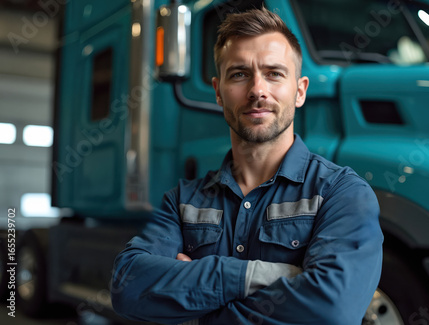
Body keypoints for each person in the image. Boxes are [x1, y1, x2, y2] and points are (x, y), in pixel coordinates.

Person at [112, 6, 383, 325]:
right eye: (239, 74)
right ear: (217, 92)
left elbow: (330, 311)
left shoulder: (342, 194)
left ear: (300, 91)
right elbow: (126, 287)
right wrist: (257, 275)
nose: (257, 90)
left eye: (274, 74)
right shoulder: (182, 202)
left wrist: (197, 299)